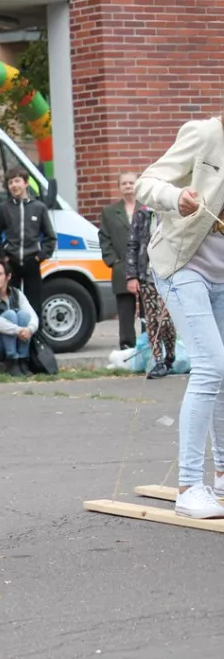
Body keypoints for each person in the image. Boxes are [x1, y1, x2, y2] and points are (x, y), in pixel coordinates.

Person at [134, 116, 224, 519]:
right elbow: (145, 185)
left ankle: (222, 475)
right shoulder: (205, 134)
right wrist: (176, 197)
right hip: (181, 265)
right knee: (210, 366)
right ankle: (189, 486)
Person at [0, 167, 56, 316]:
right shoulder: (3, 208)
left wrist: (39, 256)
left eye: (17, 181)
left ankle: (36, 337)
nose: (14, 185)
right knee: (11, 302)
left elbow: (50, 236)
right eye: (10, 182)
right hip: (11, 262)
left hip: (31, 261)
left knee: (34, 303)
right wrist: (4, 257)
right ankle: (13, 336)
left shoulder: (39, 208)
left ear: (26, 183)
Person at [126, 204, 176, 379]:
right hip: (147, 275)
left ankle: (170, 356)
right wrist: (131, 276)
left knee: (166, 320)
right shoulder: (142, 214)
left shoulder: (173, 211)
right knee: (152, 320)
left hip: (169, 274)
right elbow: (132, 244)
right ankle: (158, 361)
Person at [99, 172, 139, 349]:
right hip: (121, 267)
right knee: (125, 311)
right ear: (119, 187)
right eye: (124, 183)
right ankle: (127, 347)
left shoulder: (148, 209)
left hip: (147, 268)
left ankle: (151, 347)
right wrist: (114, 262)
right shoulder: (109, 212)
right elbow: (104, 239)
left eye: (131, 182)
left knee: (150, 311)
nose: (128, 186)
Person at [0, 259, 37, 375]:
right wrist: (19, 330)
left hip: (12, 340)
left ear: (8, 276)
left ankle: (22, 361)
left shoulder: (16, 293)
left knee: (23, 315)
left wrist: (29, 329)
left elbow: (33, 316)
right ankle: (12, 360)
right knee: (10, 315)